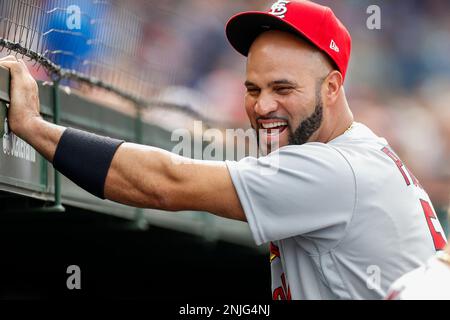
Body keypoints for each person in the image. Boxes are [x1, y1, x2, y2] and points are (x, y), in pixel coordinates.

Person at [0, 0, 446, 300]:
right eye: (253, 88)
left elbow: (164, 183)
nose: (263, 105)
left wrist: (34, 128)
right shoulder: (362, 150)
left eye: (283, 88)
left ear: (332, 88)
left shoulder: (335, 169)